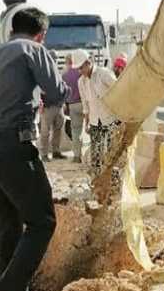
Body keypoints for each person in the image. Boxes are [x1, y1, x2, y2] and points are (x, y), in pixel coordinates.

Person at [0, 7, 69, 291]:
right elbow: (57, 92)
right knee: (42, 221)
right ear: (42, 34)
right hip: (12, 145)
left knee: (9, 222)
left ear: (11, 30)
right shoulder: (34, 50)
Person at [75, 49, 122, 204]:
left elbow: (118, 91)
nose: (81, 71)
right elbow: (85, 104)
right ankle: (97, 188)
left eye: (82, 68)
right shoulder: (81, 82)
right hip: (95, 122)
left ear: (88, 63)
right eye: (79, 69)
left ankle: (114, 189)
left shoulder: (104, 74)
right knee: (95, 157)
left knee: (111, 156)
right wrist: (86, 123)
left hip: (110, 120)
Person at [62, 55, 84, 163]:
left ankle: (77, 156)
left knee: (76, 131)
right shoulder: (80, 73)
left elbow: (63, 93)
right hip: (84, 103)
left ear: (67, 63)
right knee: (90, 130)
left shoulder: (64, 76)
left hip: (72, 105)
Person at [38, 91, 66, 161]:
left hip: (59, 106)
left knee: (58, 130)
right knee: (45, 132)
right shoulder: (42, 80)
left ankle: (56, 152)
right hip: (46, 107)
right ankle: (44, 154)